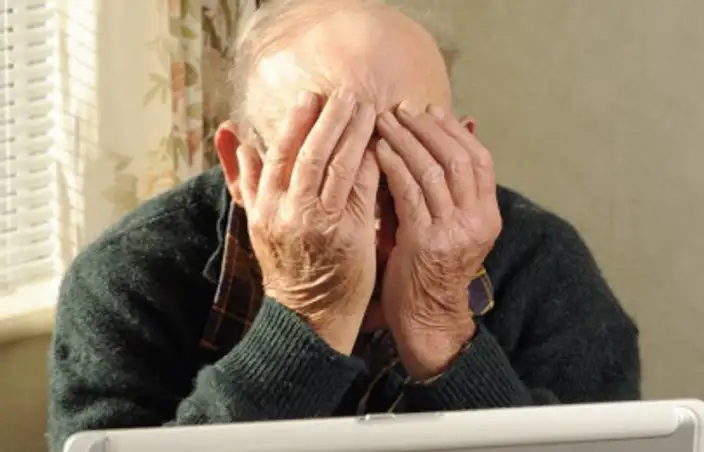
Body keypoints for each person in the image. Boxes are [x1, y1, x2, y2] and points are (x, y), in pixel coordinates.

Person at [47, 0, 641, 451]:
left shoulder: (543, 261)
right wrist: (306, 321)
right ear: (239, 167)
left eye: (410, 161)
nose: (368, 217)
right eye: (325, 168)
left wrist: (444, 334)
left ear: (462, 151)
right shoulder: (127, 278)